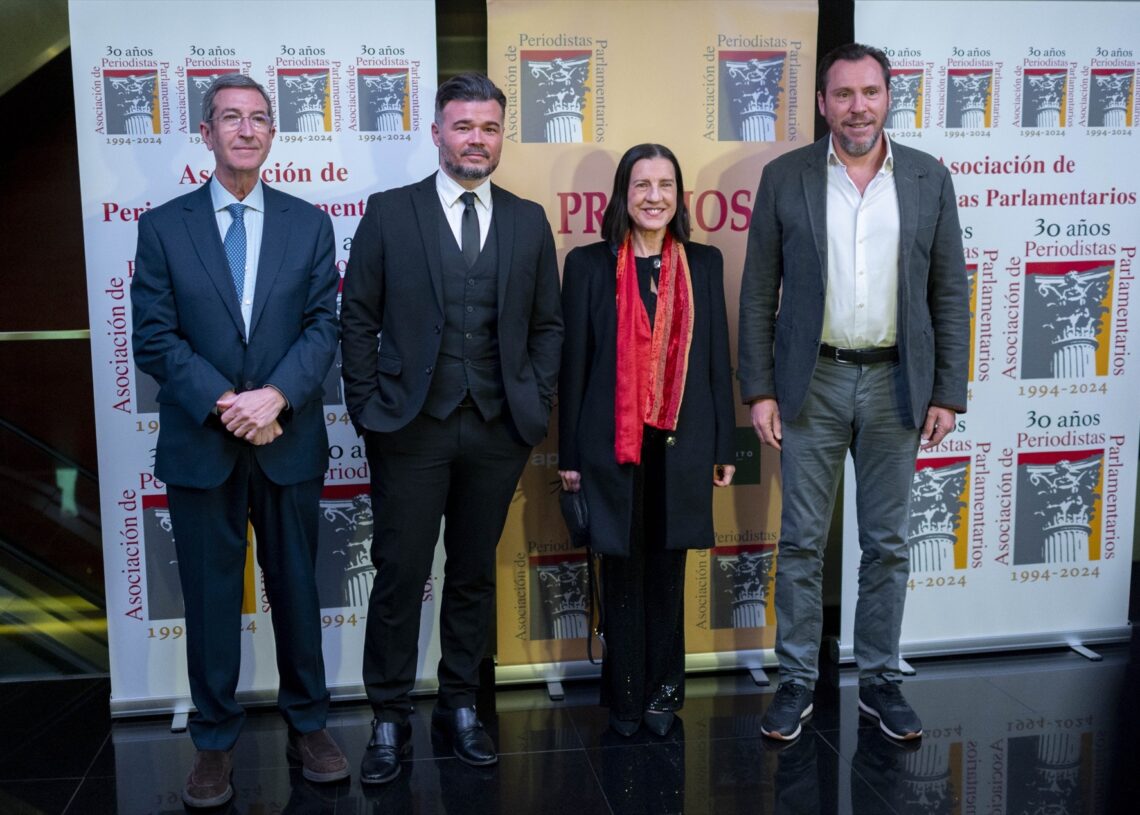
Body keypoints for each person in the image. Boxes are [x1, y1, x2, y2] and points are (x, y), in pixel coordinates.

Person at [738, 43, 969, 742]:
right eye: (843, 94)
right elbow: (756, 294)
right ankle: (796, 682)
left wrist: (949, 392)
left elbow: (949, 291)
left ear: (888, 96)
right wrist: (760, 389)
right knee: (802, 541)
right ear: (822, 103)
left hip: (901, 381)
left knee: (889, 543)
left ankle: (880, 681)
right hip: (815, 379)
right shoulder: (786, 177)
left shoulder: (929, 177)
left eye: (870, 92)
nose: (857, 106)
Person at [131, 74, 347, 807]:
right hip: (204, 445)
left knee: (296, 592)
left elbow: (325, 327)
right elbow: (153, 339)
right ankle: (215, 741)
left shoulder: (309, 223)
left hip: (287, 440)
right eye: (231, 118)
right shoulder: (164, 227)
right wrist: (231, 404)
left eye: (259, 118)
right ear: (207, 132)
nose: (247, 129)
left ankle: (310, 724)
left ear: (272, 133)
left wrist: (277, 395)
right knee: (211, 599)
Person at [340, 73, 563, 782]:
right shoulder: (389, 213)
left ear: (502, 135)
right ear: (437, 132)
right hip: (409, 430)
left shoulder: (528, 220)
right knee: (401, 573)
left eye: (489, 127)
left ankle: (461, 704)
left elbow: (548, 324)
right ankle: (387, 715)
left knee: (471, 574)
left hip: (498, 429)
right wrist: (371, 409)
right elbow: (358, 320)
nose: (476, 139)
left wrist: (534, 397)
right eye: (463, 126)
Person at [558, 144, 736, 737]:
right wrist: (569, 457)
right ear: (622, 194)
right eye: (641, 185)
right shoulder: (587, 265)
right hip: (612, 444)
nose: (654, 196)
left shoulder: (703, 264)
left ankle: (663, 694)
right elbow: (574, 367)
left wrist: (725, 448)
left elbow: (716, 361)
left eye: (665, 184)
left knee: (668, 571)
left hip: (681, 445)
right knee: (621, 570)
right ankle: (626, 697)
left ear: (678, 196)